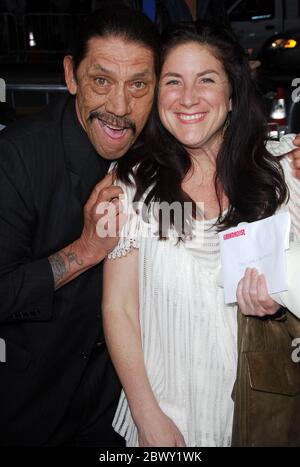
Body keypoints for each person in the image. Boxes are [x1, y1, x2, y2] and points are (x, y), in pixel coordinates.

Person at [102, 21, 300, 447]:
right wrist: (146, 414)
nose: (188, 97)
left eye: (206, 80)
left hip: (256, 415)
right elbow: (119, 308)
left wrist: (278, 308)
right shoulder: (134, 185)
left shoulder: (281, 175)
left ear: (231, 96)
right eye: (173, 81)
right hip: (161, 418)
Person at [0, 5, 160, 446]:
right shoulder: (16, 158)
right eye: (102, 81)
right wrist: (85, 251)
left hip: (112, 416)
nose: (120, 108)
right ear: (72, 76)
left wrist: (287, 164)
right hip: (25, 413)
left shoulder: (157, 152)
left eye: (139, 85)